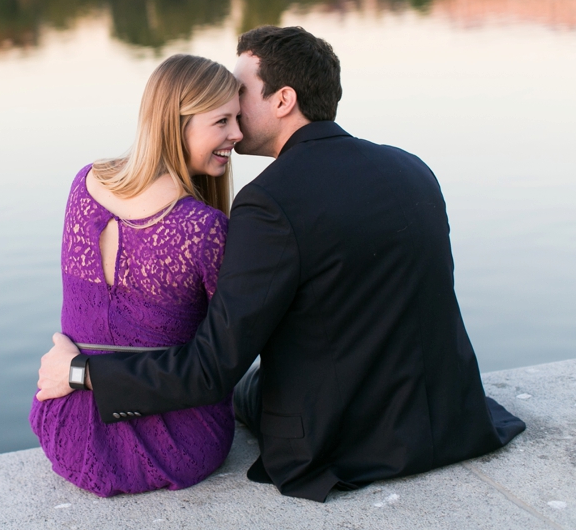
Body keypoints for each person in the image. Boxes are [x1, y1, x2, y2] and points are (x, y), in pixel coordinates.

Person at [37, 26, 525, 502]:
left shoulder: (268, 202)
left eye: (242, 95)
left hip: (344, 441)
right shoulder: (412, 167)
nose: (234, 113)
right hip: (450, 416)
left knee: (251, 387)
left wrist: (81, 373)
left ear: (284, 100)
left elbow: (212, 368)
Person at [29, 54, 244, 496]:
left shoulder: (84, 183)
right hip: (180, 442)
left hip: (69, 429)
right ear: (177, 123)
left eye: (238, 119)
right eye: (222, 121)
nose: (237, 135)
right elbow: (220, 360)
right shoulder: (203, 229)